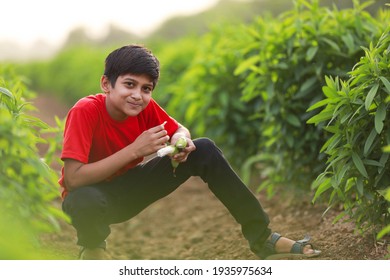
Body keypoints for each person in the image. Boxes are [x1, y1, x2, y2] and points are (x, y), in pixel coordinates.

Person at [59, 44, 321, 260]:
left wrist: (182, 142)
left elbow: (179, 129)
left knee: (203, 147)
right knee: (84, 200)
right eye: (129, 84)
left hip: (129, 191)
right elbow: (73, 179)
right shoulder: (86, 111)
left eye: (146, 88)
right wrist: (134, 150)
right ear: (107, 84)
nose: (138, 95)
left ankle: (263, 238)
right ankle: (93, 248)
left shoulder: (143, 108)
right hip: (90, 201)